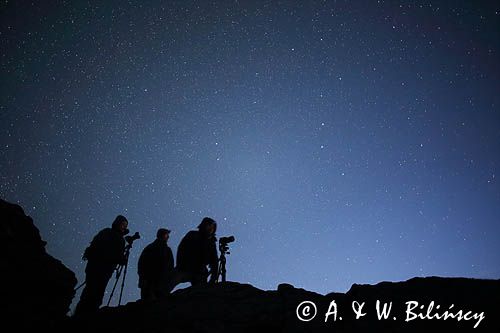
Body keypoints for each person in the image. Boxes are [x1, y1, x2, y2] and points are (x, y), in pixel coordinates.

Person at [74, 215, 128, 316]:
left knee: (89, 292)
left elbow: (95, 248)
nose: (124, 227)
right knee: (95, 294)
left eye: (125, 225)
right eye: (123, 225)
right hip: (102, 269)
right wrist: (121, 259)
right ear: (118, 224)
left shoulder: (105, 233)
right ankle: (85, 317)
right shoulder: (115, 237)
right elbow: (111, 254)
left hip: (95, 268)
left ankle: (79, 315)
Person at [169, 217, 218, 289]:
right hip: (184, 268)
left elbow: (214, 261)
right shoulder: (192, 235)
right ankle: (158, 298)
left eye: (212, 227)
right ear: (203, 225)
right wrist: (181, 265)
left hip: (200, 272)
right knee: (169, 281)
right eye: (209, 225)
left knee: (201, 293)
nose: (211, 228)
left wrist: (213, 278)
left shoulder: (211, 243)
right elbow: (181, 249)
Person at [137, 228, 174, 301]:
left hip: (150, 282)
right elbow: (170, 266)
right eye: (167, 235)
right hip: (156, 283)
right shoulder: (166, 250)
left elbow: (141, 264)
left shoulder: (149, 248)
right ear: (163, 235)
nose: (168, 237)